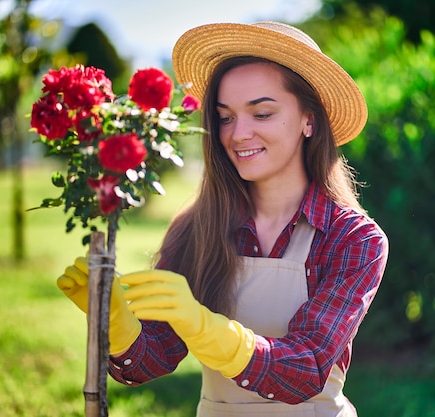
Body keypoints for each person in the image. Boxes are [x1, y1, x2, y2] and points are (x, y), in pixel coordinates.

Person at [58, 21, 388, 417]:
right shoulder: (198, 227)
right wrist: (118, 326)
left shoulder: (353, 238)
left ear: (309, 120)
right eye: (225, 117)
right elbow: (152, 360)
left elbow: (307, 366)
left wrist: (208, 329)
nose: (238, 134)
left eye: (262, 113)